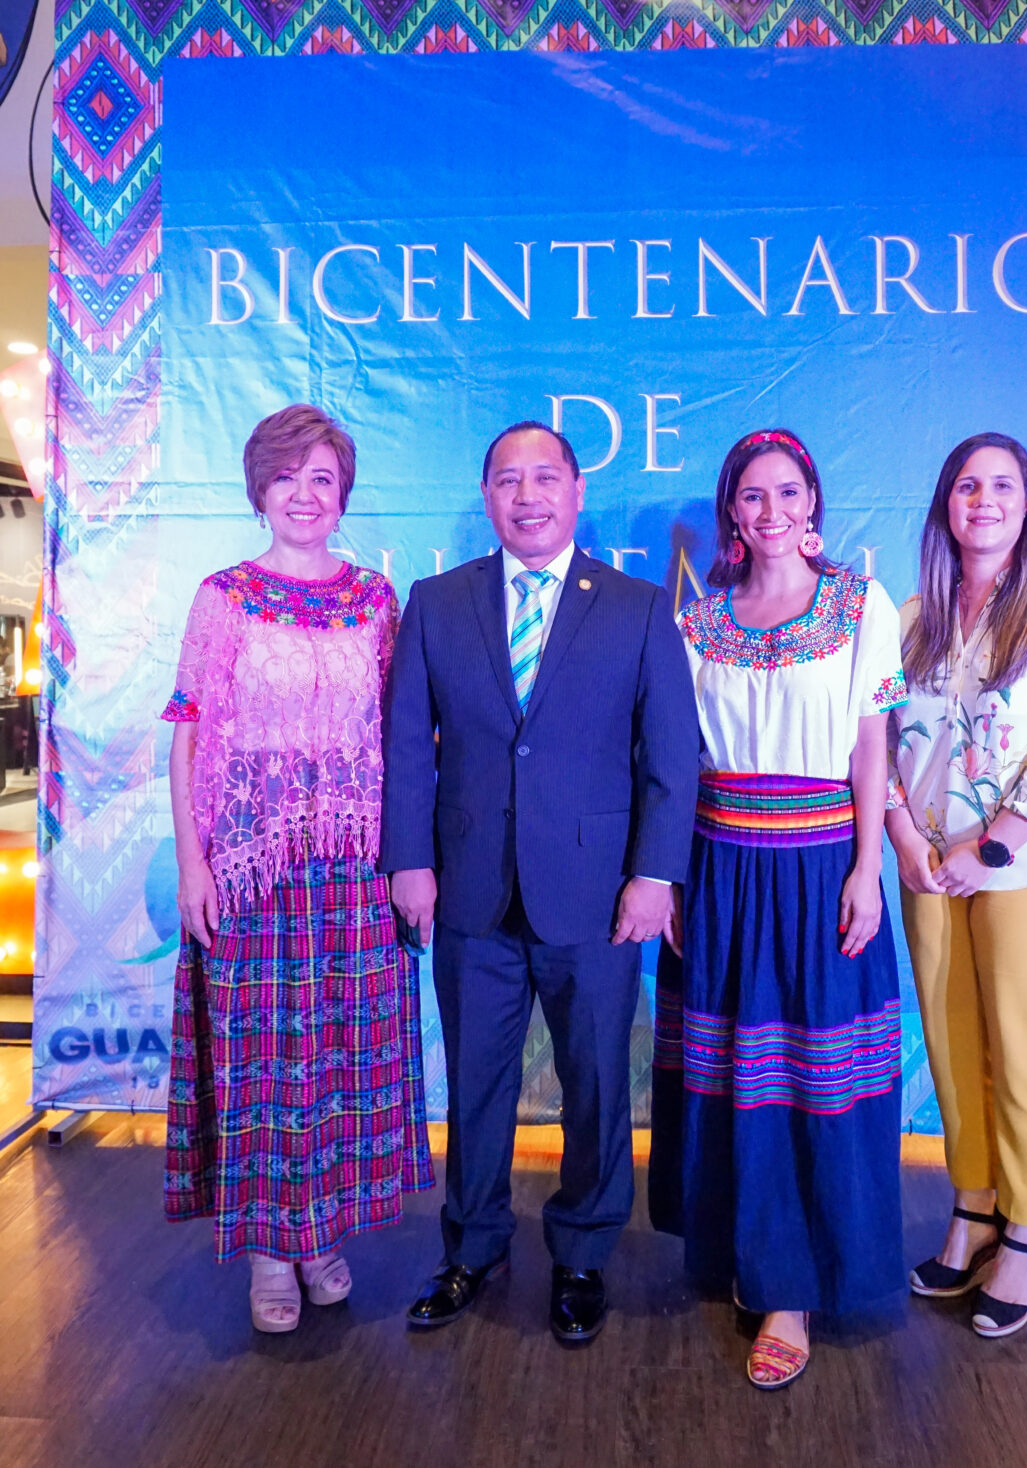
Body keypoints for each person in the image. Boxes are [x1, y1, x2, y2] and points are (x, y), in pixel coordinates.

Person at [381, 420, 698, 1344]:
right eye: (508, 480)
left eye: (545, 478)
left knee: (596, 1082)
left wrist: (655, 876)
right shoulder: (438, 602)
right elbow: (407, 743)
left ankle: (585, 1253)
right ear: (487, 497)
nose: (528, 495)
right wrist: (408, 858)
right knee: (475, 1085)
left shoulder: (637, 607)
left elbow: (670, 758)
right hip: (468, 894)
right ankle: (471, 1246)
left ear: (575, 492)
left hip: (597, 897)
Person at [162, 404, 433, 1333]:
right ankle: (270, 1253)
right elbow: (189, 733)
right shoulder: (224, 595)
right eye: (288, 479)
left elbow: (402, 737)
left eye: (324, 480)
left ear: (344, 494)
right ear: (259, 491)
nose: (306, 497)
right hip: (251, 867)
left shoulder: (373, 599)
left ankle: (324, 1236)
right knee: (264, 1058)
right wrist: (195, 864)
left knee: (345, 1056)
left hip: (355, 866)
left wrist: (411, 859)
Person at [648, 428, 907, 1390]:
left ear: (813, 502)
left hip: (815, 866)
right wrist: (671, 876)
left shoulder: (856, 604)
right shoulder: (701, 621)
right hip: (722, 867)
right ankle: (750, 1263)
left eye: (786, 493)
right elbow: (678, 767)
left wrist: (865, 865)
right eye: (750, 498)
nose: (770, 512)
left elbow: (871, 745)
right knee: (734, 1080)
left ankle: (795, 1290)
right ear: (731, 514)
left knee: (811, 1078)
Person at [886, 431, 1027, 1339]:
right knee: (950, 1044)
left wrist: (994, 845)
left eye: (1003, 485)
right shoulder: (913, 617)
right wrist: (905, 835)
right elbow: (879, 742)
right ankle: (973, 1206)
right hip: (931, 866)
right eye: (967, 485)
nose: (983, 499)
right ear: (946, 502)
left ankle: (1026, 1227)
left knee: (1021, 1049)